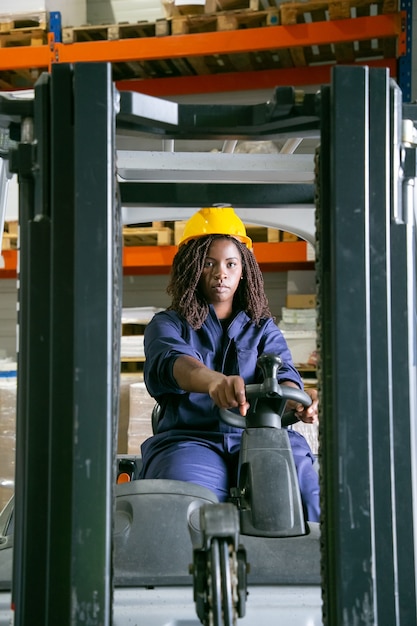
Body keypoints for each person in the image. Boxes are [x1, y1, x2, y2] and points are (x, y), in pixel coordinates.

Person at [140, 206, 320, 522]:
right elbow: (173, 362)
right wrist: (213, 382)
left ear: (243, 271)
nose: (220, 272)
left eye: (230, 264)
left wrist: (298, 400)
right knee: (185, 509)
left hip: (263, 435)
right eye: (208, 263)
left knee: (304, 498)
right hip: (190, 439)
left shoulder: (263, 327)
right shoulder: (167, 324)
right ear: (190, 267)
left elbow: (286, 375)